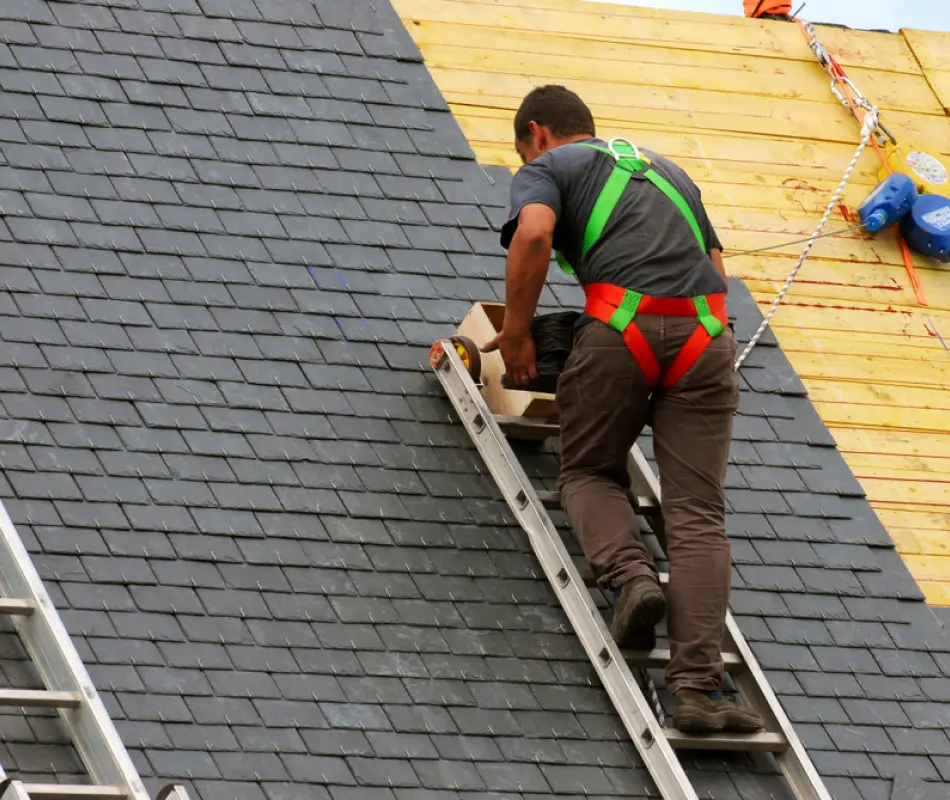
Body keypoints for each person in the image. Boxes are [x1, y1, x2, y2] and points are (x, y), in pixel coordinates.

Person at [482, 85, 764, 735]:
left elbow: (533, 234)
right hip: (706, 339)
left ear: (538, 133)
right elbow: (715, 266)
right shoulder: (669, 171)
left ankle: (630, 575)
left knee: (587, 471)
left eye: (523, 147)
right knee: (697, 515)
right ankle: (698, 686)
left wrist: (519, 332)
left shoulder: (547, 169)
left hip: (622, 328)